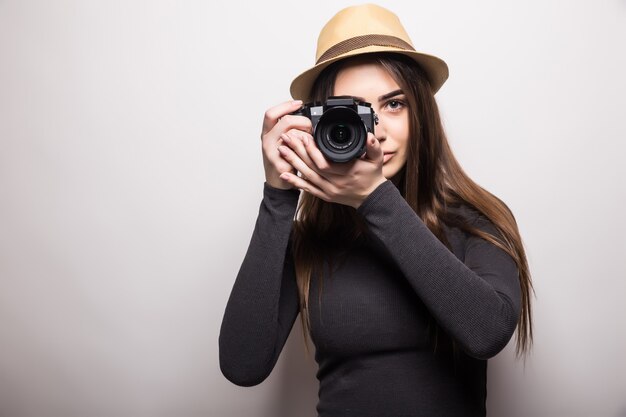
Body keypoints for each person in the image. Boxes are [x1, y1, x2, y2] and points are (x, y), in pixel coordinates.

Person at [219, 4, 534, 416]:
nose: (376, 132)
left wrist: (375, 199)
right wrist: (278, 195)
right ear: (318, 123)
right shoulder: (310, 240)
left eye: (394, 105)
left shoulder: (475, 220)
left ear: (421, 112)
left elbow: (488, 332)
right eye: (354, 111)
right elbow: (242, 365)